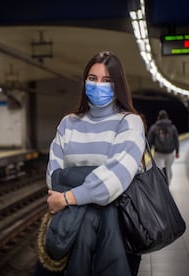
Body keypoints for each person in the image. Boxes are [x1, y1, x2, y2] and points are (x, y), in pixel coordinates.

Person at [33, 52, 146, 276]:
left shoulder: (130, 123)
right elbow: (54, 177)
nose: (98, 85)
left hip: (119, 235)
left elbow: (113, 182)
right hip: (70, 233)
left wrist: (67, 197)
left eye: (106, 80)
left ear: (118, 85)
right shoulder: (68, 123)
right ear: (85, 82)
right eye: (92, 78)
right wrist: (94, 183)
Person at [147, 109, 179, 184]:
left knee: (159, 169)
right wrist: (177, 151)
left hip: (158, 153)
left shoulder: (154, 127)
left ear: (159, 117)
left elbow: (150, 140)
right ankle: (168, 184)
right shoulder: (173, 127)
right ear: (167, 117)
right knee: (168, 169)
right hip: (170, 153)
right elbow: (176, 140)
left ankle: (162, 186)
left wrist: (149, 151)